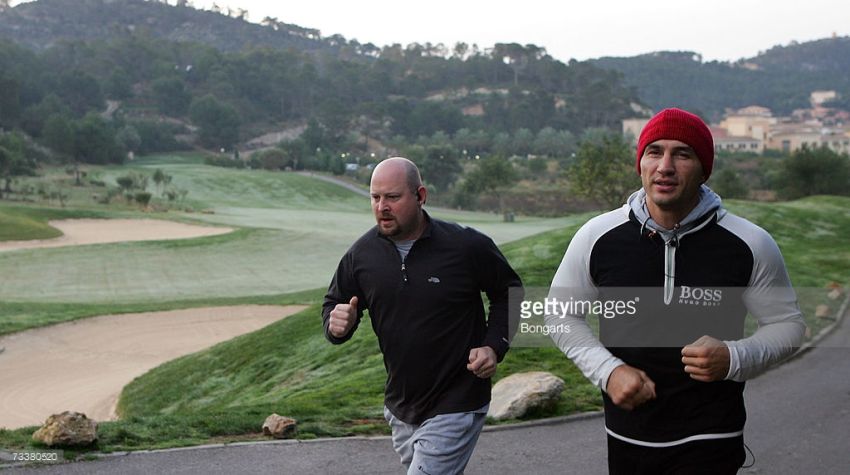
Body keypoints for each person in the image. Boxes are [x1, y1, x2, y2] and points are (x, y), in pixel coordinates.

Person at [545, 108, 805, 474]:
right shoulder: (597, 237)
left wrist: (735, 357)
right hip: (628, 437)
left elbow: (788, 325)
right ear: (640, 164)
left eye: (682, 154)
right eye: (654, 152)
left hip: (713, 437)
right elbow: (559, 313)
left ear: (704, 168)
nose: (665, 166)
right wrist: (608, 371)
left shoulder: (749, 243)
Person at [323, 157, 522, 474]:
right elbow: (334, 302)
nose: (382, 207)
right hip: (402, 404)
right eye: (375, 197)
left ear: (421, 196)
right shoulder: (362, 255)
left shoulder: (465, 246)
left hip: (457, 399)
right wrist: (337, 326)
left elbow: (510, 292)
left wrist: (493, 345)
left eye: (393, 197)